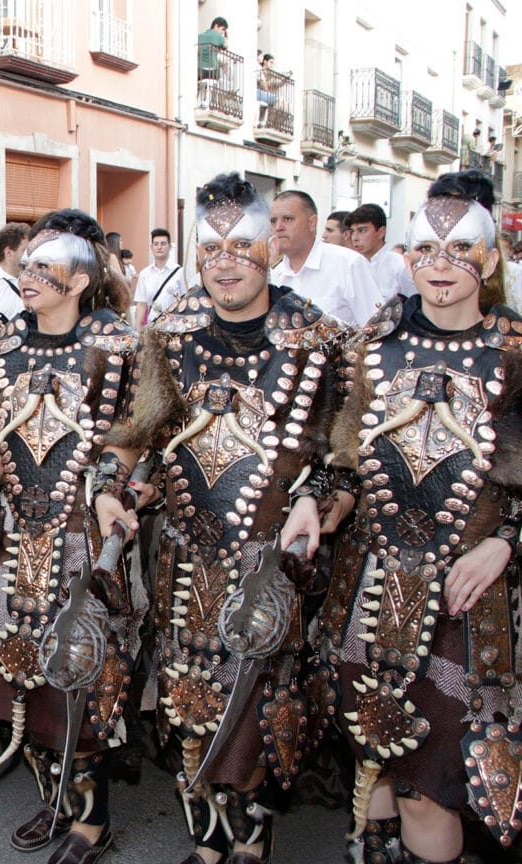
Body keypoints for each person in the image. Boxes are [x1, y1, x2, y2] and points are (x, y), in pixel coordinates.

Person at [317, 170, 522, 864]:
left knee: (430, 782)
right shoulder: (370, 346)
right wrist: (315, 504)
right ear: (407, 256)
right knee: (373, 762)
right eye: (425, 250)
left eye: (460, 250)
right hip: (368, 592)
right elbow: (343, 459)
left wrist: (504, 543)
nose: (440, 266)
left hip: (466, 608)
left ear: (492, 261)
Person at [120, 173, 346, 864]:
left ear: (271, 246)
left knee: (255, 704)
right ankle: (207, 837)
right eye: (211, 246)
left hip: (268, 561)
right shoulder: (170, 330)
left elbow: (347, 448)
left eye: (242, 243)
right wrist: (116, 483)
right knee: (187, 697)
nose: (226, 260)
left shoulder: (319, 338)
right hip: (183, 554)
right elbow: (141, 433)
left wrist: (323, 494)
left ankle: (251, 835)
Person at [0, 210, 140, 864]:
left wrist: (111, 484)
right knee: (20, 672)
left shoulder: (118, 346)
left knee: (81, 673)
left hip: (85, 537)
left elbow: (135, 437)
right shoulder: (2, 349)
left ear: (81, 279)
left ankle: (92, 818)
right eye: (24, 265)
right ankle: (53, 796)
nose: (27, 276)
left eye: (43, 267)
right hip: (15, 537)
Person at [270, 191, 381, 327]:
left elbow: (376, 329)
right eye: (273, 221)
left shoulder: (348, 264)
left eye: (287, 219)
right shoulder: (274, 277)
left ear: (312, 223)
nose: (278, 227)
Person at [346, 204, 415, 304]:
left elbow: (415, 305)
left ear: (381, 232)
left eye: (362, 230)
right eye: (352, 232)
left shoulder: (400, 266)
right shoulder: (350, 265)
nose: (355, 238)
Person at [134, 227, 184, 326]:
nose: (159, 247)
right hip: (152, 326)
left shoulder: (179, 272)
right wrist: (138, 330)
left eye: (163, 244)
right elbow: (141, 304)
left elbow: (184, 301)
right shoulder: (145, 274)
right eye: (156, 244)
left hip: (174, 327)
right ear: (151, 247)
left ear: (169, 247)